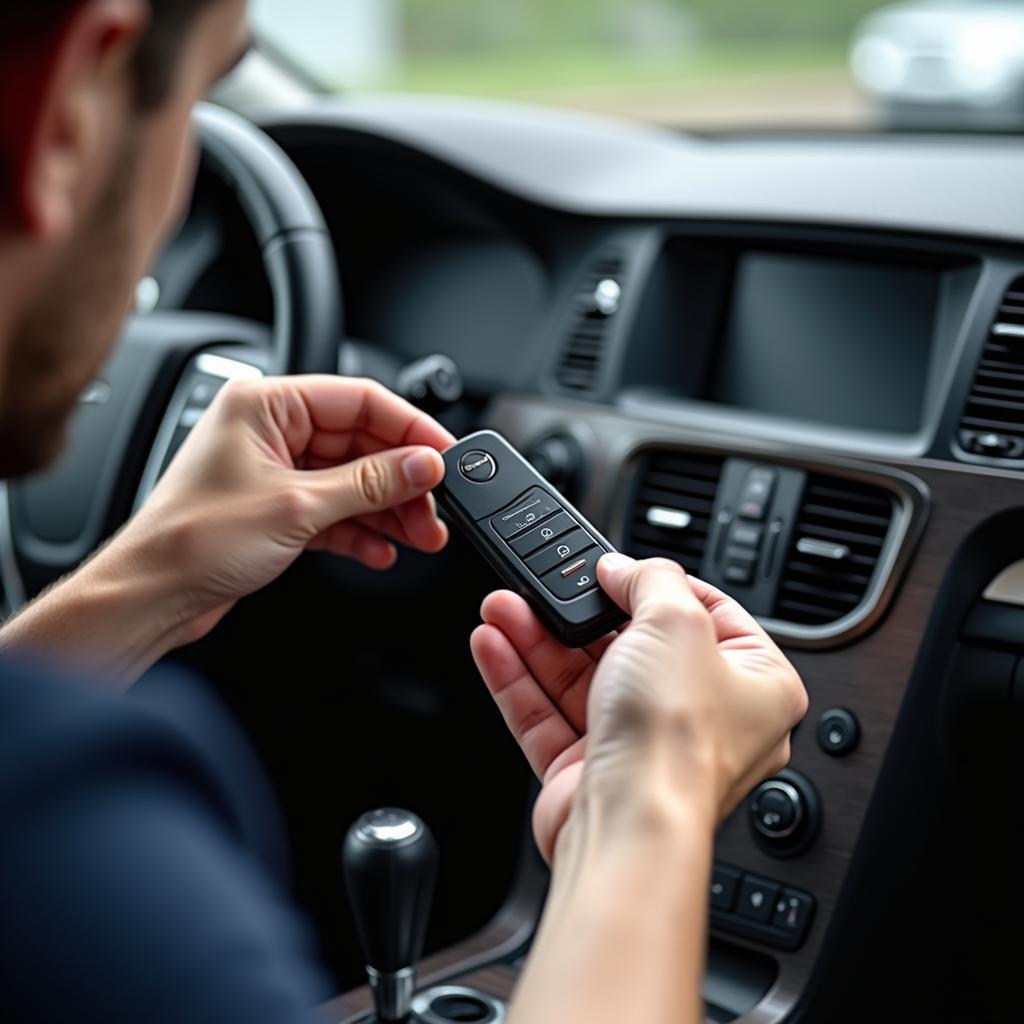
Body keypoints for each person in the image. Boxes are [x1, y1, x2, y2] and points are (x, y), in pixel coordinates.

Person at [0, 2, 808, 1022]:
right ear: (68, 109)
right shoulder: (71, 835)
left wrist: (150, 574)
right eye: (202, 103)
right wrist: (649, 798)